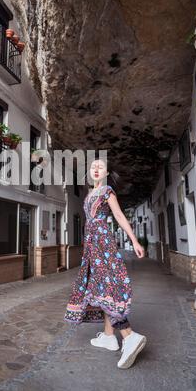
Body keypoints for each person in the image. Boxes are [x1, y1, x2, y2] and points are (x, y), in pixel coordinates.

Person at [64, 158, 147, 369]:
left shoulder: (107, 191)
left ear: (106, 172)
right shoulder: (89, 193)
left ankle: (129, 336)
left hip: (102, 244)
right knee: (100, 289)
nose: (96, 169)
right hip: (91, 246)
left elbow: (118, 215)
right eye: (93, 166)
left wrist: (134, 241)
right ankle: (109, 337)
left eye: (100, 166)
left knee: (106, 288)